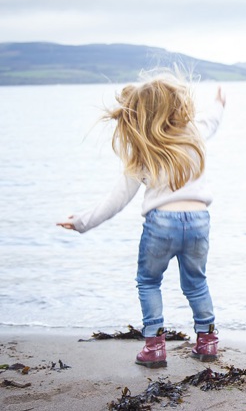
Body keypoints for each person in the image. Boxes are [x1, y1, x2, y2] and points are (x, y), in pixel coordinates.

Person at [57, 71, 226, 368]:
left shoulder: (143, 148)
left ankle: (155, 346)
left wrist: (83, 222)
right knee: (196, 283)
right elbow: (212, 120)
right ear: (177, 105)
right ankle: (207, 341)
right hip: (199, 219)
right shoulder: (195, 132)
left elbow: (117, 199)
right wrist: (219, 104)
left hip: (161, 223)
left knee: (148, 281)